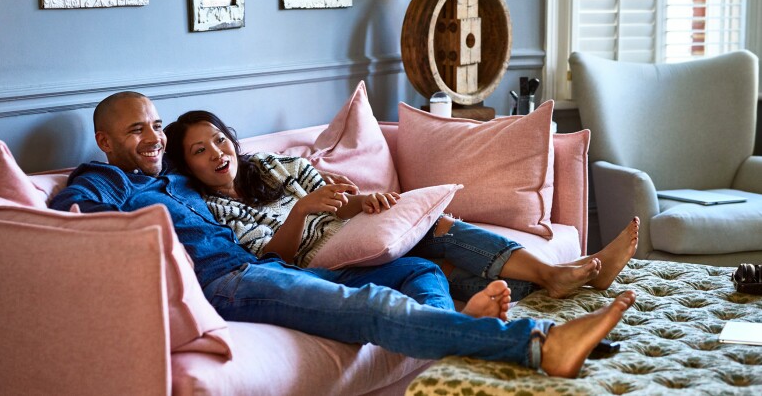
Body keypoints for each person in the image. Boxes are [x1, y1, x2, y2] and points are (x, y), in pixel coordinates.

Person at [49, 91, 637, 378]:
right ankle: (536, 344)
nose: (152, 137)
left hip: (269, 272)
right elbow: (72, 221)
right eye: (136, 131)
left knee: (415, 270)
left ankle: (462, 336)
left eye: (155, 125)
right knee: (372, 305)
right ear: (106, 141)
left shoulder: (175, 178)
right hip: (226, 283)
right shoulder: (106, 177)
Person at [163, 110, 640, 302]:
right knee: (429, 258)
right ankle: (570, 275)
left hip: (345, 230)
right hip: (313, 257)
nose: (217, 154)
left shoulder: (267, 165)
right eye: (200, 151)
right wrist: (303, 211)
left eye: (219, 140)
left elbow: (338, 200)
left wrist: (362, 202)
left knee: (442, 233)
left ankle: (562, 276)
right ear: (187, 165)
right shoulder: (209, 209)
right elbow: (274, 259)